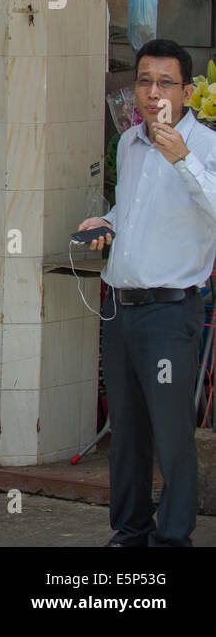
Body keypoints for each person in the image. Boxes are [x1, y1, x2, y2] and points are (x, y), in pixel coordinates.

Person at [78, 38, 216, 547]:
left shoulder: (205, 146)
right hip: (120, 308)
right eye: (143, 80)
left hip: (169, 313)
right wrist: (106, 222)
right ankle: (131, 530)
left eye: (165, 82)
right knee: (128, 430)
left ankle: (173, 538)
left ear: (186, 91)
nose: (152, 92)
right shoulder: (129, 144)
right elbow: (133, 211)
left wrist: (183, 160)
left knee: (172, 435)